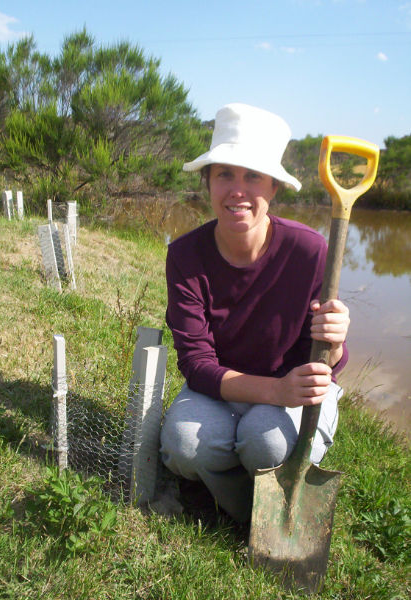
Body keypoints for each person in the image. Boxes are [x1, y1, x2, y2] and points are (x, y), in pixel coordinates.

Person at [160, 103, 350, 523]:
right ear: (207, 181)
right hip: (223, 388)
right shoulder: (185, 255)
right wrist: (272, 391)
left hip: (289, 394)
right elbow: (196, 364)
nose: (238, 190)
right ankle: (247, 509)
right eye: (225, 173)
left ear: (274, 188)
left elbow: (323, 363)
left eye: (253, 177)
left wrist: (333, 343)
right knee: (182, 445)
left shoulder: (309, 251)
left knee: (265, 443)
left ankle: (262, 480)